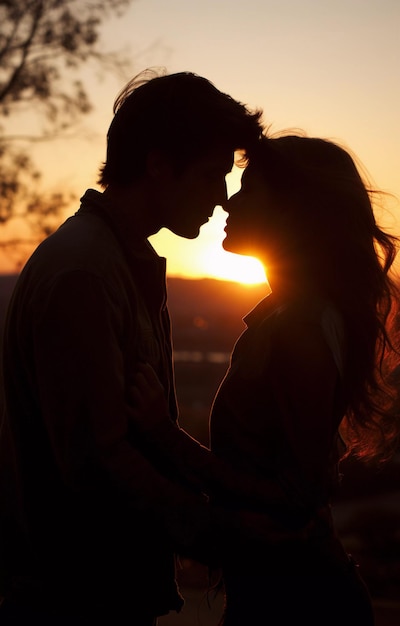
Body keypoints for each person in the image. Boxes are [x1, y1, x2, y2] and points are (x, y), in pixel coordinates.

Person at [0, 68, 268, 625]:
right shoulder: (86, 272)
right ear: (157, 163)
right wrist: (226, 537)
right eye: (212, 174)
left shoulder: (114, 261)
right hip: (76, 601)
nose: (221, 198)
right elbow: (98, 461)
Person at [128, 134, 400, 625]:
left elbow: (298, 494)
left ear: (295, 212)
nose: (230, 199)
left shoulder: (301, 327)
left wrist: (165, 438)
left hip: (299, 603)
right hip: (281, 593)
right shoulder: (289, 314)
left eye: (250, 189)